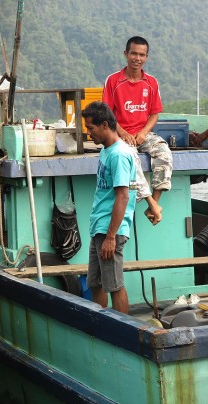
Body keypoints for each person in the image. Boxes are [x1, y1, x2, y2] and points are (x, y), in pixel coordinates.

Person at [103, 36, 172, 225]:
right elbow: (107, 114)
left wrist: (143, 133)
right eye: (133, 53)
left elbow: (154, 113)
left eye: (142, 55)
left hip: (144, 134)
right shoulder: (113, 81)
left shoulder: (151, 82)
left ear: (147, 57)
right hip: (121, 135)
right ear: (126, 54)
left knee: (164, 153)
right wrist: (123, 133)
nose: (137, 58)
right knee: (131, 160)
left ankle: (154, 204)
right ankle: (151, 202)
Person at [82, 101, 137, 314]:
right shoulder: (106, 150)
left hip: (110, 231)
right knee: (95, 282)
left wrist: (111, 236)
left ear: (105, 125)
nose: (89, 133)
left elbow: (123, 197)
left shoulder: (119, 154)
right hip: (99, 228)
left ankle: (124, 331)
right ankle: (100, 323)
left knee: (114, 285)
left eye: (91, 128)